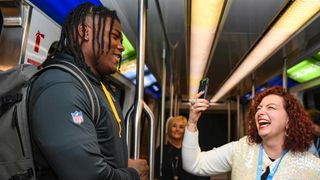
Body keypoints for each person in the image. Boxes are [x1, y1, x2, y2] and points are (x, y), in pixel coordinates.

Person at [28, 3, 148, 179]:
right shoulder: (61, 87)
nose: (121, 47)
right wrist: (133, 174)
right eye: (115, 37)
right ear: (85, 32)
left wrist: (121, 162)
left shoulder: (96, 85)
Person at [182, 86, 320, 179]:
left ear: (289, 120)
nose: (261, 112)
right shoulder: (240, 149)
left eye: (271, 107)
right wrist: (192, 122)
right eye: (259, 108)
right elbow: (194, 164)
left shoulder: (312, 166)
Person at [155, 116, 210, 180]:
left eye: (181, 127)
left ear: (186, 131)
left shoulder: (194, 150)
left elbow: (203, 174)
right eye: (174, 126)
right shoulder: (161, 150)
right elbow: (156, 173)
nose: (177, 129)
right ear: (170, 129)